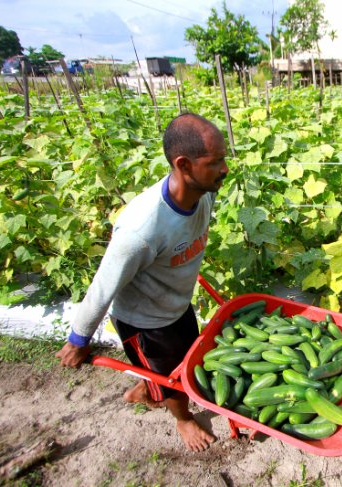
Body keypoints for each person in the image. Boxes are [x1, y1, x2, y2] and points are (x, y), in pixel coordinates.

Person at [55, 113, 228, 452]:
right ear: (184, 165)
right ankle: (182, 419)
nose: (225, 168)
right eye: (216, 161)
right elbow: (102, 287)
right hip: (145, 321)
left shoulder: (203, 193)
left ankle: (146, 387)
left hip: (176, 303)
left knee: (187, 360)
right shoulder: (140, 231)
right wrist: (78, 339)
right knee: (171, 377)